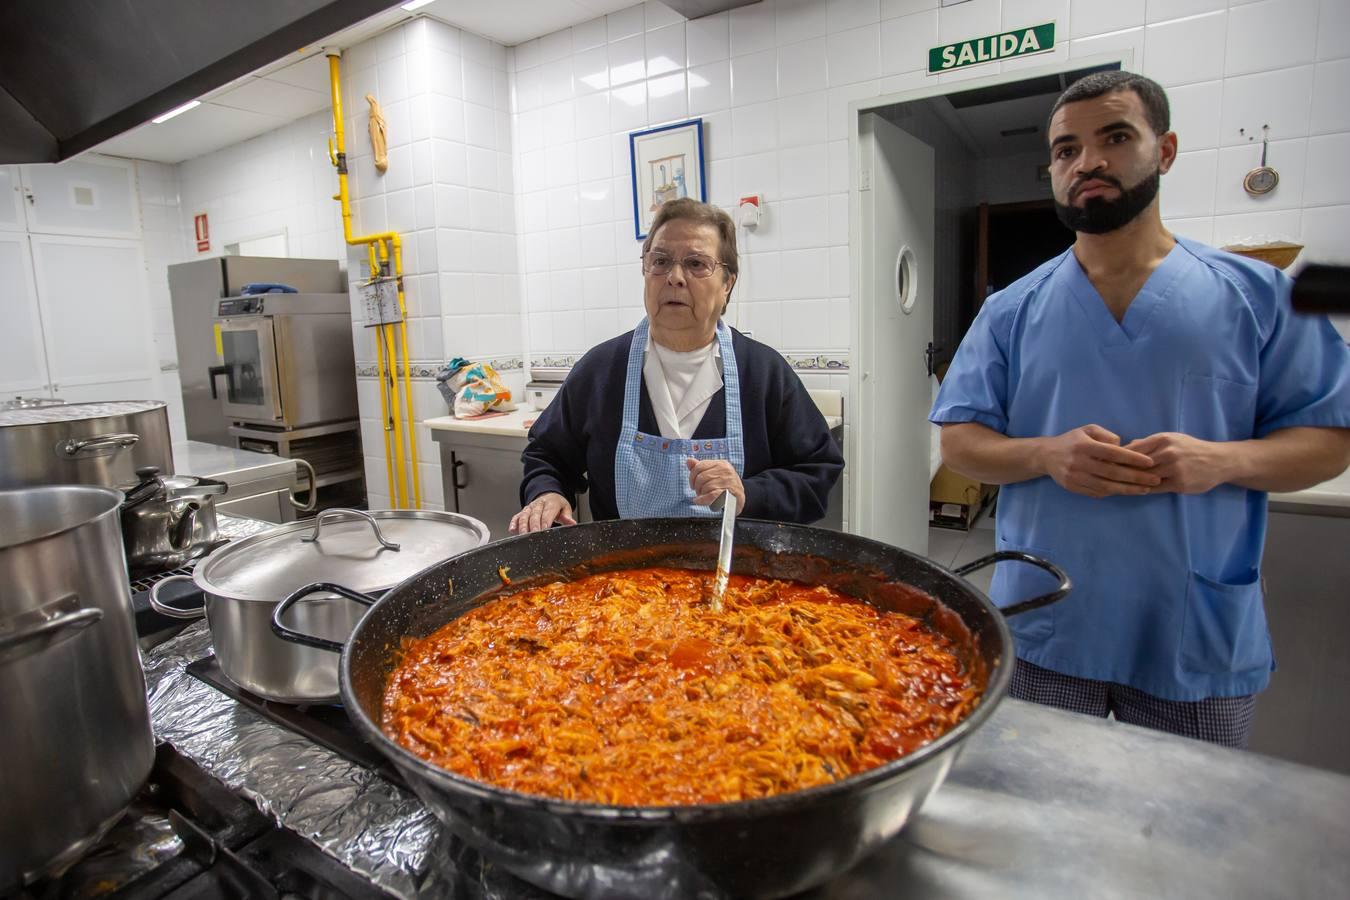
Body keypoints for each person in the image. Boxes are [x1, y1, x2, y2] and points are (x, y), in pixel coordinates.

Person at [930, 70, 1350, 748]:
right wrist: (1046, 454)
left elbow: (1330, 439)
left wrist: (1223, 461)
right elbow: (960, 443)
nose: (1088, 162)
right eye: (1066, 150)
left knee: (1187, 831)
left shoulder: (1257, 296)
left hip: (1194, 629)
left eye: (1115, 138)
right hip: (1047, 624)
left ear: (1167, 149)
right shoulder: (1012, 310)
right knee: (1047, 821)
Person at [510, 198, 843, 533]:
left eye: (696, 263)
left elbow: (816, 471)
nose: (675, 277)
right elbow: (546, 455)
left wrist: (750, 493)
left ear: (727, 284)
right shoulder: (601, 370)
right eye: (660, 261)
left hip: (740, 577)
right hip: (619, 578)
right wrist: (547, 493)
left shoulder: (763, 373)